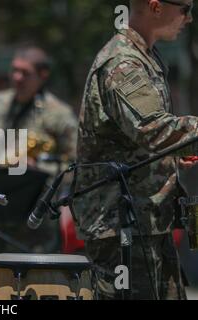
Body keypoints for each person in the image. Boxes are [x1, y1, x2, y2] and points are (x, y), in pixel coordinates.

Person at [74, 0, 197, 300]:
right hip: (122, 228)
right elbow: (152, 129)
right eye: (185, 9)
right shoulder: (122, 61)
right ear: (156, 7)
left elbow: (139, 139)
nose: (189, 18)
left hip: (145, 221)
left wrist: (176, 152)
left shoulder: (146, 57)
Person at [0, 46, 78, 259]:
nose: (17, 78)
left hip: (33, 222)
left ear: (43, 75)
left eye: (25, 73)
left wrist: (37, 169)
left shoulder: (60, 114)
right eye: (14, 70)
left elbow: (75, 166)